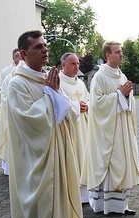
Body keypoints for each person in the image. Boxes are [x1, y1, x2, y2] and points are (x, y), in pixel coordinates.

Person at [5, 30, 83, 218]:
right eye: (38, 47)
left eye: (46, 46)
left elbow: (68, 114)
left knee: (56, 216)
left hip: (57, 160)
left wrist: (56, 95)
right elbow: (28, 123)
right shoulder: (17, 85)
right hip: (35, 166)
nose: (45, 50)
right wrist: (50, 95)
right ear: (24, 54)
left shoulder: (50, 80)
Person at [84, 41, 139, 215]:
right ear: (107, 55)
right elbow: (96, 104)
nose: (121, 54)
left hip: (122, 128)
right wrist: (119, 95)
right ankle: (104, 205)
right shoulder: (100, 77)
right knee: (109, 162)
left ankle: (121, 205)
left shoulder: (121, 75)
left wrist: (127, 96)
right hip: (108, 131)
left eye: (121, 51)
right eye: (117, 52)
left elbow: (128, 100)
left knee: (121, 162)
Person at [59, 52, 90, 202]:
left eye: (78, 63)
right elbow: (58, 105)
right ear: (63, 65)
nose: (76, 67)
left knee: (83, 156)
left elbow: (89, 99)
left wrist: (87, 106)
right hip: (68, 129)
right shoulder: (58, 82)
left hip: (82, 127)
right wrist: (77, 106)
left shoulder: (81, 83)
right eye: (73, 63)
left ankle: (84, 195)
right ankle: (71, 193)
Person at [0, 48, 21, 175]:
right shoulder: (6, 73)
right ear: (14, 60)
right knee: (11, 141)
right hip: (9, 113)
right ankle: (9, 167)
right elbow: (0, 90)